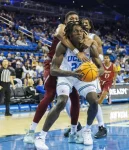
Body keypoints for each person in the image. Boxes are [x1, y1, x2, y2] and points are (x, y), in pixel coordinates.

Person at [23, 11, 93, 144]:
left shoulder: (79, 33)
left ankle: (74, 132)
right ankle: (31, 131)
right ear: (66, 21)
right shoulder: (62, 27)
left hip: (69, 67)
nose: (74, 19)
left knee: (75, 98)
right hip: (53, 65)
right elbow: (60, 35)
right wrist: (77, 51)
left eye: (76, 18)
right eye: (71, 18)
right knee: (49, 95)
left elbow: (89, 42)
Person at [34, 21, 104, 150]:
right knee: (61, 102)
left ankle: (87, 131)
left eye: (81, 31)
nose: (80, 33)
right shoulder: (63, 46)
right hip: (66, 74)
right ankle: (41, 137)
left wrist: (95, 74)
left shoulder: (90, 47)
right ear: (70, 35)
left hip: (82, 77)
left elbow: (101, 68)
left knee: (94, 101)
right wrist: (72, 73)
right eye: (76, 31)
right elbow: (53, 70)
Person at [64, 18, 107, 139]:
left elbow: (100, 55)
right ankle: (75, 125)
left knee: (94, 99)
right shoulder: (71, 36)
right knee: (67, 99)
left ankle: (101, 126)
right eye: (82, 24)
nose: (84, 26)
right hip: (72, 71)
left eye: (86, 24)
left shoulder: (94, 37)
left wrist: (95, 67)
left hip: (89, 70)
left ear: (90, 26)